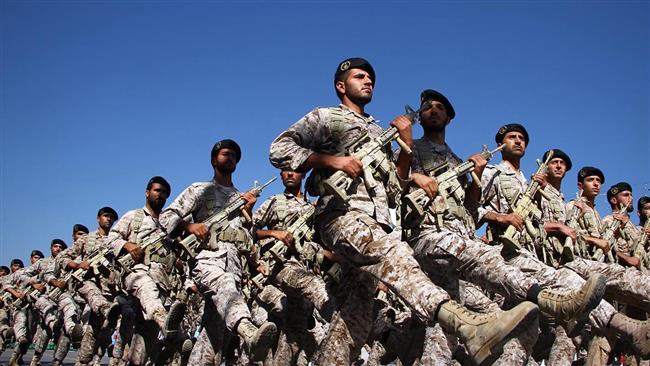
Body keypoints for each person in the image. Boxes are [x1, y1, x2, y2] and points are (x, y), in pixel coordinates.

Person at [269, 57, 539, 365]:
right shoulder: (327, 117)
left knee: (355, 323)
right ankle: (467, 325)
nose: (368, 81)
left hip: (377, 221)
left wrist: (406, 145)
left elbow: (396, 187)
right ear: (341, 86)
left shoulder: (376, 130)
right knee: (396, 256)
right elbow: (280, 149)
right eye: (360, 76)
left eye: (371, 77)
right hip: (341, 215)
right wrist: (333, 161)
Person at [159, 139, 277, 363]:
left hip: (234, 267)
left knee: (213, 338)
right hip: (208, 261)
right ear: (214, 160)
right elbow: (166, 218)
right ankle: (248, 332)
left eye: (234, 155)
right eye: (225, 154)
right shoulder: (199, 190)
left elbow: (246, 238)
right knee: (225, 285)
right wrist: (189, 226)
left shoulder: (239, 198)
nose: (230, 157)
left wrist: (248, 212)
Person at [107, 176, 185, 365]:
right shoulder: (134, 217)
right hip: (136, 273)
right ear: (147, 192)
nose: (161, 195)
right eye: (157, 190)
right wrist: (127, 244)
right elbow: (111, 240)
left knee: (143, 344)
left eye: (165, 193)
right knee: (146, 286)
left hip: (161, 283)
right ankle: (163, 318)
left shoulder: (168, 224)